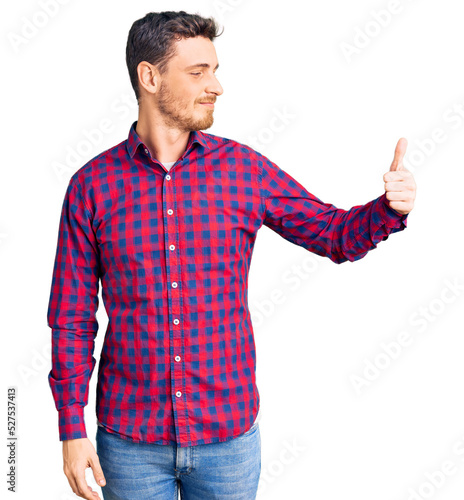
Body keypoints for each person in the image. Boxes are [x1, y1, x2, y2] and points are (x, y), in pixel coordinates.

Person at [46, 10, 416, 500]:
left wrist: (388, 209)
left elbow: (332, 234)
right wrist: (72, 429)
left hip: (228, 442)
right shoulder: (92, 186)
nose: (216, 86)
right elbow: (71, 318)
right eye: (198, 72)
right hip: (129, 444)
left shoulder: (244, 171)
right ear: (150, 76)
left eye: (215, 70)